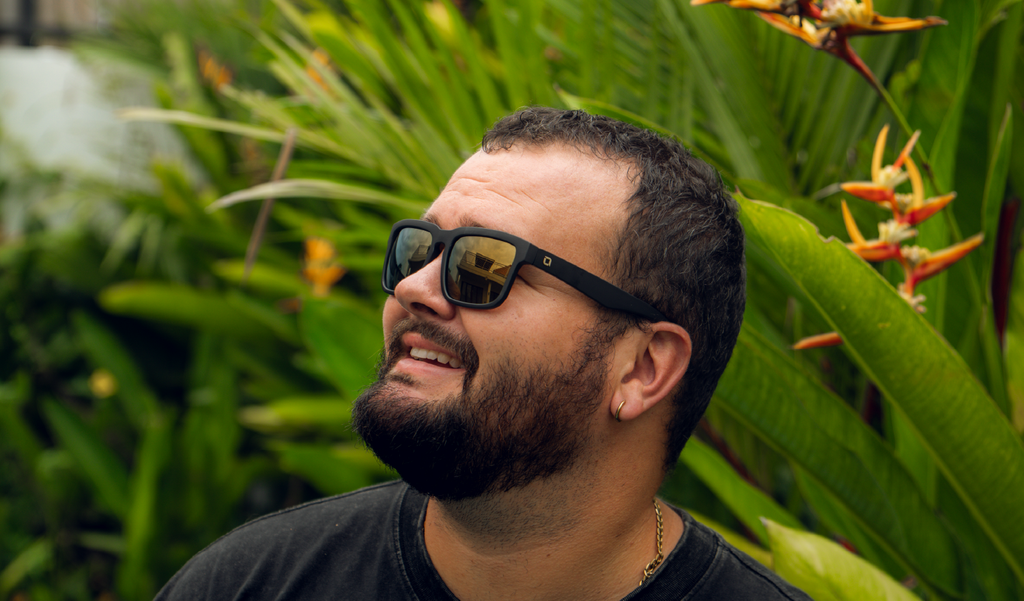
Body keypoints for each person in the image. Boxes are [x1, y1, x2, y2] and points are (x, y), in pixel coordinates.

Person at [155, 107, 810, 600]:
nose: (413, 287)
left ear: (642, 367)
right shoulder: (250, 583)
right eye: (420, 249)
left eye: (484, 264)